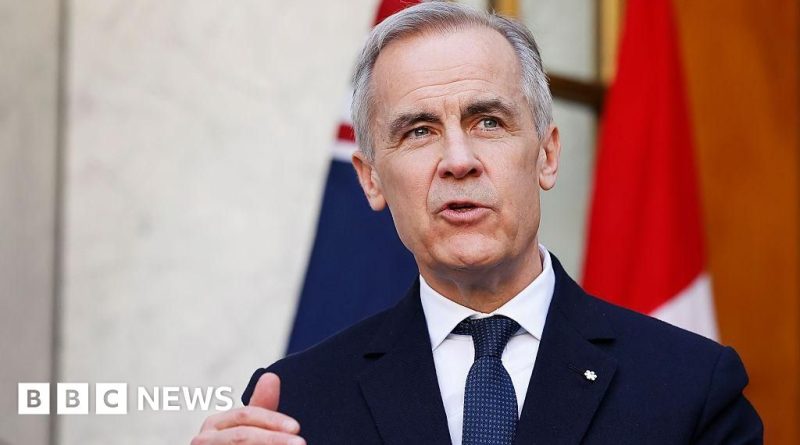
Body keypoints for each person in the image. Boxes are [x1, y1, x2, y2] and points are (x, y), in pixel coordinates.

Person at [191, 2, 763, 444]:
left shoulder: (689, 387)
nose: (458, 160)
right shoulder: (297, 404)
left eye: (488, 121)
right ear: (370, 179)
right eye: (418, 131)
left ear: (546, 154)